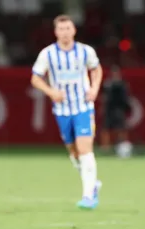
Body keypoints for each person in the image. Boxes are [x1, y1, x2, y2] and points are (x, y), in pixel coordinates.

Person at [31, 15, 103, 210]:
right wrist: (51, 91)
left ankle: (88, 196)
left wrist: (95, 89)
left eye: (68, 28)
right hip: (62, 110)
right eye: (61, 29)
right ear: (56, 32)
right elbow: (35, 78)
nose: (64, 32)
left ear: (74, 30)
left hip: (83, 108)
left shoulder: (85, 51)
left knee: (85, 149)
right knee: (73, 153)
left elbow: (96, 69)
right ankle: (93, 182)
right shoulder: (48, 54)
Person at [100, 65, 131, 153]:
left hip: (119, 109)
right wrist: (103, 107)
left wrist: (125, 107)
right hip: (109, 109)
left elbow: (125, 97)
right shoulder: (107, 83)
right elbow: (104, 96)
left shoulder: (122, 84)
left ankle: (122, 146)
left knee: (121, 128)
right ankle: (105, 148)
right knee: (106, 128)